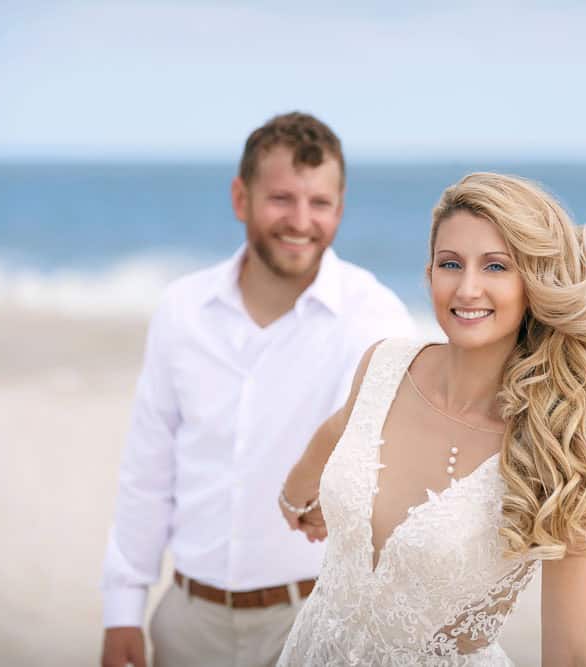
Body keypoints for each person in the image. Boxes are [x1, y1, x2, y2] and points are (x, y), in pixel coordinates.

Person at [277, 172, 586, 666]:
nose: (467, 289)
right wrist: (296, 495)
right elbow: (341, 427)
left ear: (533, 283)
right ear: (429, 274)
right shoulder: (384, 365)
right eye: (451, 263)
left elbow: (574, 652)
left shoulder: (563, 447)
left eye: (495, 266)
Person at [100, 112, 415, 667]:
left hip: (315, 620)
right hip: (187, 622)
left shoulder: (375, 315)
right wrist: (123, 609)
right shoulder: (181, 311)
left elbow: (387, 456)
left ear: (339, 209)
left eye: (319, 203)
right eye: (281, 198)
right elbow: (147, 472)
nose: (300, 220)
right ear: (240, 198)